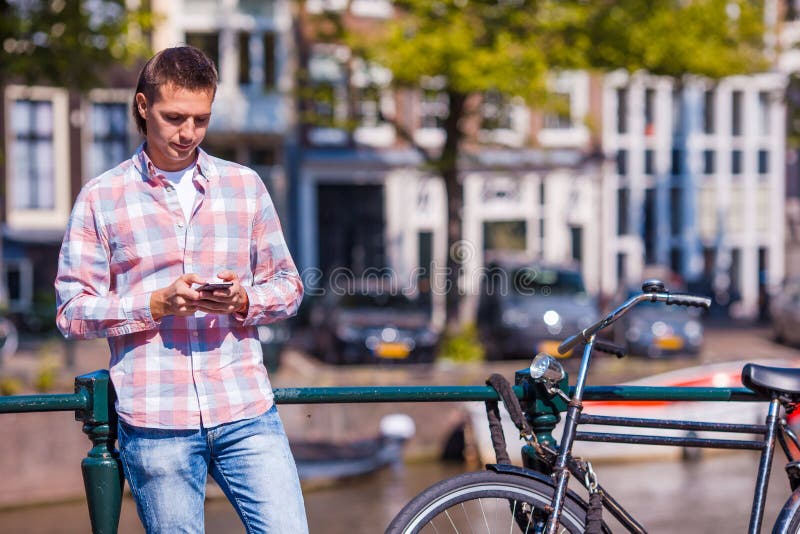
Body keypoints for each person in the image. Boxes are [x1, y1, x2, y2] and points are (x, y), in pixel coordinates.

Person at [54, 46, 308, 533]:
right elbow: (70, 310)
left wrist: (244, 300)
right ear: (144, 106)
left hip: (245, 410)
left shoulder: (245, 186)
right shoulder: (100, 198)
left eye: (201, 119)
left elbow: (290, 287)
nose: (188, 133)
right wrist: (154, 304)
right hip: (156, 422)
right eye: (174, 117)